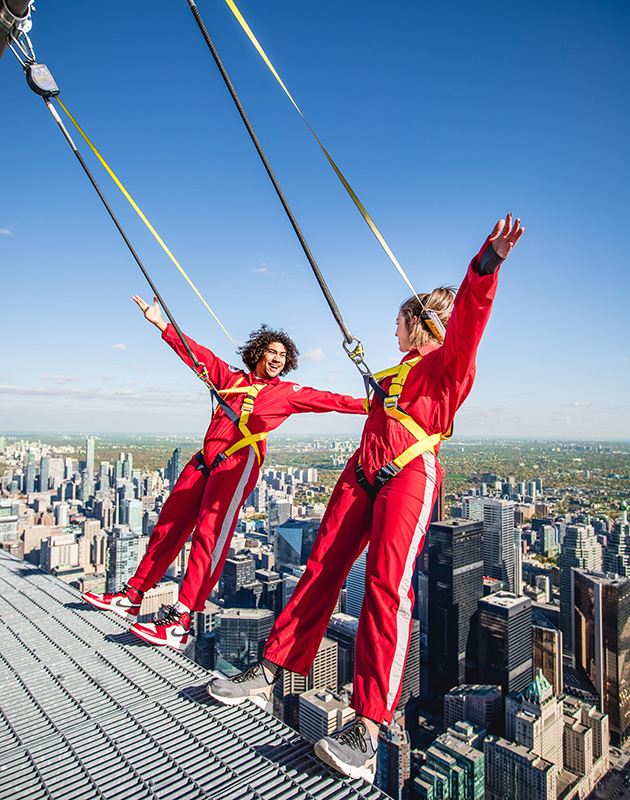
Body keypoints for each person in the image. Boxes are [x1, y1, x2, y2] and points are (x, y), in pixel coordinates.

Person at [206, 214, 524, 783]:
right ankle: (277, 665)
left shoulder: (444, 367)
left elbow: (470, 324)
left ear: (418, 324)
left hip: (408, 473)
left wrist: (487, 263)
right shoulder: (396, 373)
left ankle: (369, 726)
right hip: (363, 471)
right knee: (322, 566)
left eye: (400, 323)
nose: (393, 331)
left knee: (385, 587)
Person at [82, 296, 366, 650]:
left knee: (209, 535)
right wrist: (161, 324)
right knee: (169, 525)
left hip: (238, 460)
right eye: (272, 352)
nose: (277, 359)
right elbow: (195, 354)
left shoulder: (287, 393)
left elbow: (331, 400)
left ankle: (182, 618)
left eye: (283, 355)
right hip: (206, 459)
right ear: (258, 352)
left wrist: (375, 404)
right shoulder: (229, 378)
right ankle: (135, 593)